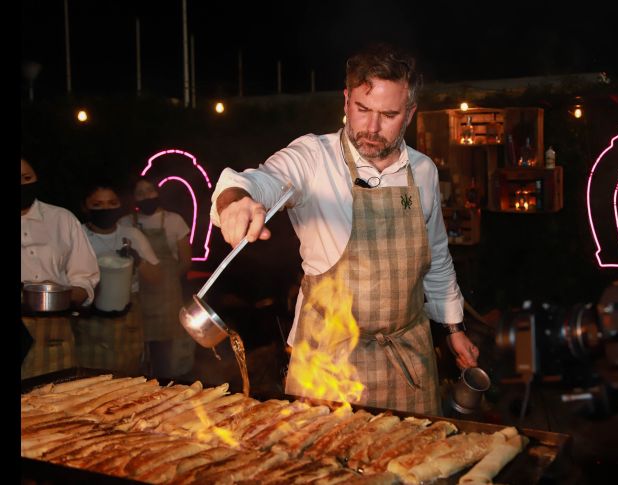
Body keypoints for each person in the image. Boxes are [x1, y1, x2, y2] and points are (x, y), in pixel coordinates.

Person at [210, 43, 479, 415]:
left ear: (410, 114)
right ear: (346, 101)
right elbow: (262, 179)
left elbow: (435, 259)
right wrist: (236, 200)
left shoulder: (424, 172)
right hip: (328, 359)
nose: (371, 127)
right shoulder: (313, 157)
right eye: (362, 109)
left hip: (406, 356)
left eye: (388, 115)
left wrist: (454, 328)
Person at [21, 157, 100, 379]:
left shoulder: (61, 218)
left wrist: (66, 295)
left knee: (59, 402)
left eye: (27, 178)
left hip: (56, 331)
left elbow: (85, 277)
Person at [76, 181, 161, 375]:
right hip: (90, 321)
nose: (106, 209)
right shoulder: (77, 235)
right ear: (85, 207)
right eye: (97, 205)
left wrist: (138, 260)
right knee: (92, 378)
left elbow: (156, 277)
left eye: (112, 203)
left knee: (127, 378)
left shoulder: (131, 234)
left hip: (128, 316)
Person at [118, 177, 196, 379]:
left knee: (165, 355)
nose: (146, 196)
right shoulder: (125, 223)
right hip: (137, 296)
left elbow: (185, 261)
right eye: (140, 193)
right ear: (133, 198)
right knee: (138, 353)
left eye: (149, 191)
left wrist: (168, 281)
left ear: (157, 193)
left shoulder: (174, 220)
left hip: (167, 299)